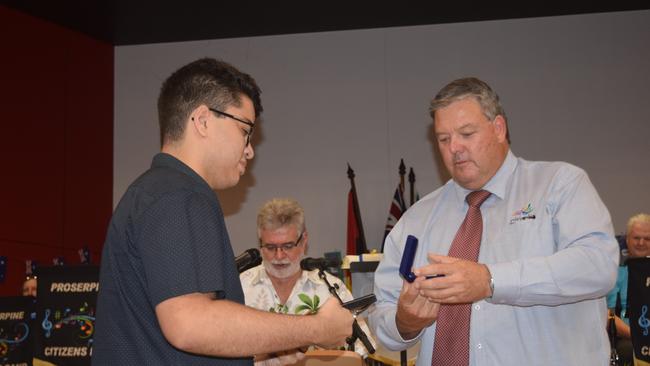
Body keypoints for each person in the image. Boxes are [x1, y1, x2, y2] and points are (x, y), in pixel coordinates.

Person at [92, 58, 353, 365]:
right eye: (246, 130)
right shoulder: (180, 194)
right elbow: (189, 324)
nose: (250, 149)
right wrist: (315, 328)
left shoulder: (153, 192)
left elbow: (168, 339)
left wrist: (267, 348)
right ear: (202, 120)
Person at [369, 77, 619, 366]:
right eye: (444, 139)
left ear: (499, 129)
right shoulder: (416, 219)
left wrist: (490, 280)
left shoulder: (559, 185)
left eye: (466, 133)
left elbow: (597, 266)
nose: (455, 148)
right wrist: (405, 323)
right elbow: (381, 313)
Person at [240, 198, 374, 365]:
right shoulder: (240, 287)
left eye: (288, 246)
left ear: (303, 241)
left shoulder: (331, 289)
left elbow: (363, 350)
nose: (279, 256)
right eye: (270, 247)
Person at [607, 213, 650, 364]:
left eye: (647, 238)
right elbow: (608, 315)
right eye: (636, 238)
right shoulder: (615, 273)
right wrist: (636, 336)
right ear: (627, 240)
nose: (641, 243)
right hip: (628, 338)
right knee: (628, 350)